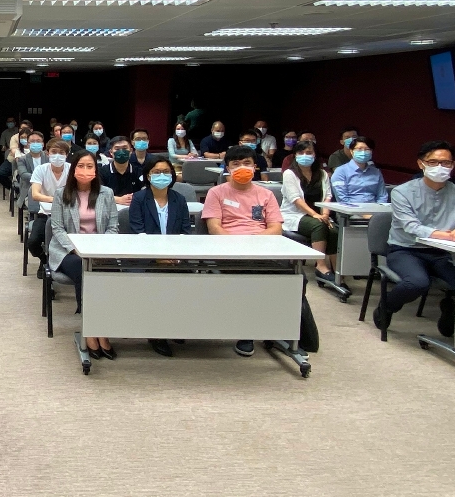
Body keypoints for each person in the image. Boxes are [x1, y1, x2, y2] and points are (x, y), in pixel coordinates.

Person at [373, 140, 455, 337]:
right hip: (406, 249)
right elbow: (412, 227)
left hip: (445, 252)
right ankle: (387, 305)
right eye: (433, 162)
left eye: (446, 163)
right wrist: (450, 235)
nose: (440, 167)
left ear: (453, 165)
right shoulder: (402, 192)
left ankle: (450, 307)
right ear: (421, 164)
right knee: (417, 283)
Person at [202, 145, 284, 357]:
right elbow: (214, 228)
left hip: (262, 248)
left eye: (247, 163)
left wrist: (254, 243)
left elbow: (275, 228)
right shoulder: (216, 193)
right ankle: (247, 331)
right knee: (249, 279)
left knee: (291, 278)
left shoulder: (266, 194)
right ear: (227, 168)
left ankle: (281, 328)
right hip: (229, 250)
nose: (242, 168)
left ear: (255, 167)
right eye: (236, 164)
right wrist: (238, 246)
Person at [48, 151, 119, 359]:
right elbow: (57, 228)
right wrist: (77, 249)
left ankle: (102, 328)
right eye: (81, 166)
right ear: (73, 170)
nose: (85, 170)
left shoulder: (106, 193)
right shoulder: (61, 194)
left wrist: (99, 250)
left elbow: (113, 227)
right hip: (68, 251)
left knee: (110, 275)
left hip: (100, 250)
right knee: (83, 271)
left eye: (90, 166)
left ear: (96, 170)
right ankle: (89, 328)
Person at [130, 156, 194, 356]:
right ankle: (157, 333)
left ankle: (174, 325)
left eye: (166, 172)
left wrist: (176, 256)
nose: (162, 175)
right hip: (147, 257)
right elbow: (138, 232)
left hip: (175, 257)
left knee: (188, 283)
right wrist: (157, 257)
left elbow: (185, 232)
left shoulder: (179, 199)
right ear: (148, 176)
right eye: (156, 172)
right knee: (158, 285)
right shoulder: (139, 199)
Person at [281, 141, 337, 278]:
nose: (305, 155)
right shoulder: (289, 174)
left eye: (309, 152)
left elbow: (327, 196)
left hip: (319, 214)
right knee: (318, 225)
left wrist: (325, 214)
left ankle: (337, 271)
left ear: (315, 155)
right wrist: (315, 215)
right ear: (295, 155)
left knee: (334, 230)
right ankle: (321, 266)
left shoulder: (322, 174)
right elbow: (296, 199)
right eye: (301, 153)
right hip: (295, 215)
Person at [28, 138, 71, 276]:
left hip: (68, 215)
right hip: (45, 214)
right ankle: (45, 260)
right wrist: (56, 200)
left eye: (61, 152)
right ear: (47, 153)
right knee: (33, 242)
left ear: (67, 155)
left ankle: (61, 263)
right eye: (54, 152)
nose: (57, 155)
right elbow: (35, 194)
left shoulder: (72, 170)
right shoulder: (41, 169)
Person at [331, 136, 388, 204]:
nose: (363, 152)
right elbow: (342, 199)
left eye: (367, 149)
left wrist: (378, 209)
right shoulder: (340, 172)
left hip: (374, 208)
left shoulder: (376, 172)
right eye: (359, 149)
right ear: (351, 151)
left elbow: (382, 196)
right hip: (350, 209)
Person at [99, 136, 142, 205]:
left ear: (131, 151)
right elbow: (98, 194)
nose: (121, 152)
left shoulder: (139, 171)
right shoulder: (101, 172)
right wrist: (118, 199)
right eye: (117, 149)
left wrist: (135, 198)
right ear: (111, 152)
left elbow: (146, 191)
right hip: (110, 207)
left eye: (124, 148)